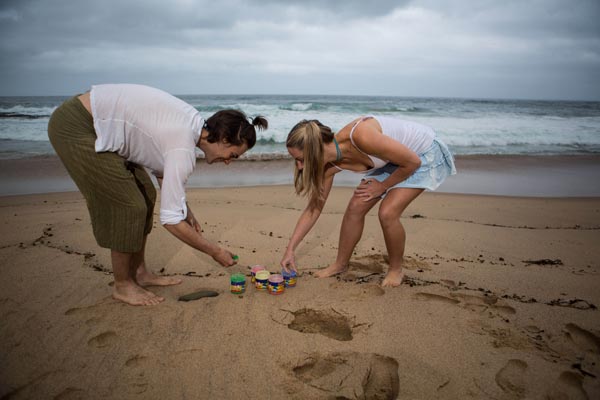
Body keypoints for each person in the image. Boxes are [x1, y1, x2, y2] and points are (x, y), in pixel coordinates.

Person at [48, 83, 268, 305]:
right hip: (79, 126)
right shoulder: (183, 146)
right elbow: (170, 220)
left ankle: (140, 272)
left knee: (145, 193)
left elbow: (164, 170)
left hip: (97, 122)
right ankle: (122, 285)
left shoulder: (191, 126)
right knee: (129, 205)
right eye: (233, 154)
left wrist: (185, 208)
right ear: (224, 140)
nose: (229, 162)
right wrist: (214, 251)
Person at [280, 116, 455, 287]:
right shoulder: (328, 166)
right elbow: (313, 209)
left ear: (315, 150)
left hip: (420, 154)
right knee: (356, 207)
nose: (300, 167)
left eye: (301, 159)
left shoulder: (361, 136)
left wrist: (383, 186)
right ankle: (340, 265)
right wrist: (290, 250)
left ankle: (396, 270)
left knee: (388, 212)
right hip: (390, 161)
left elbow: (412, 162)